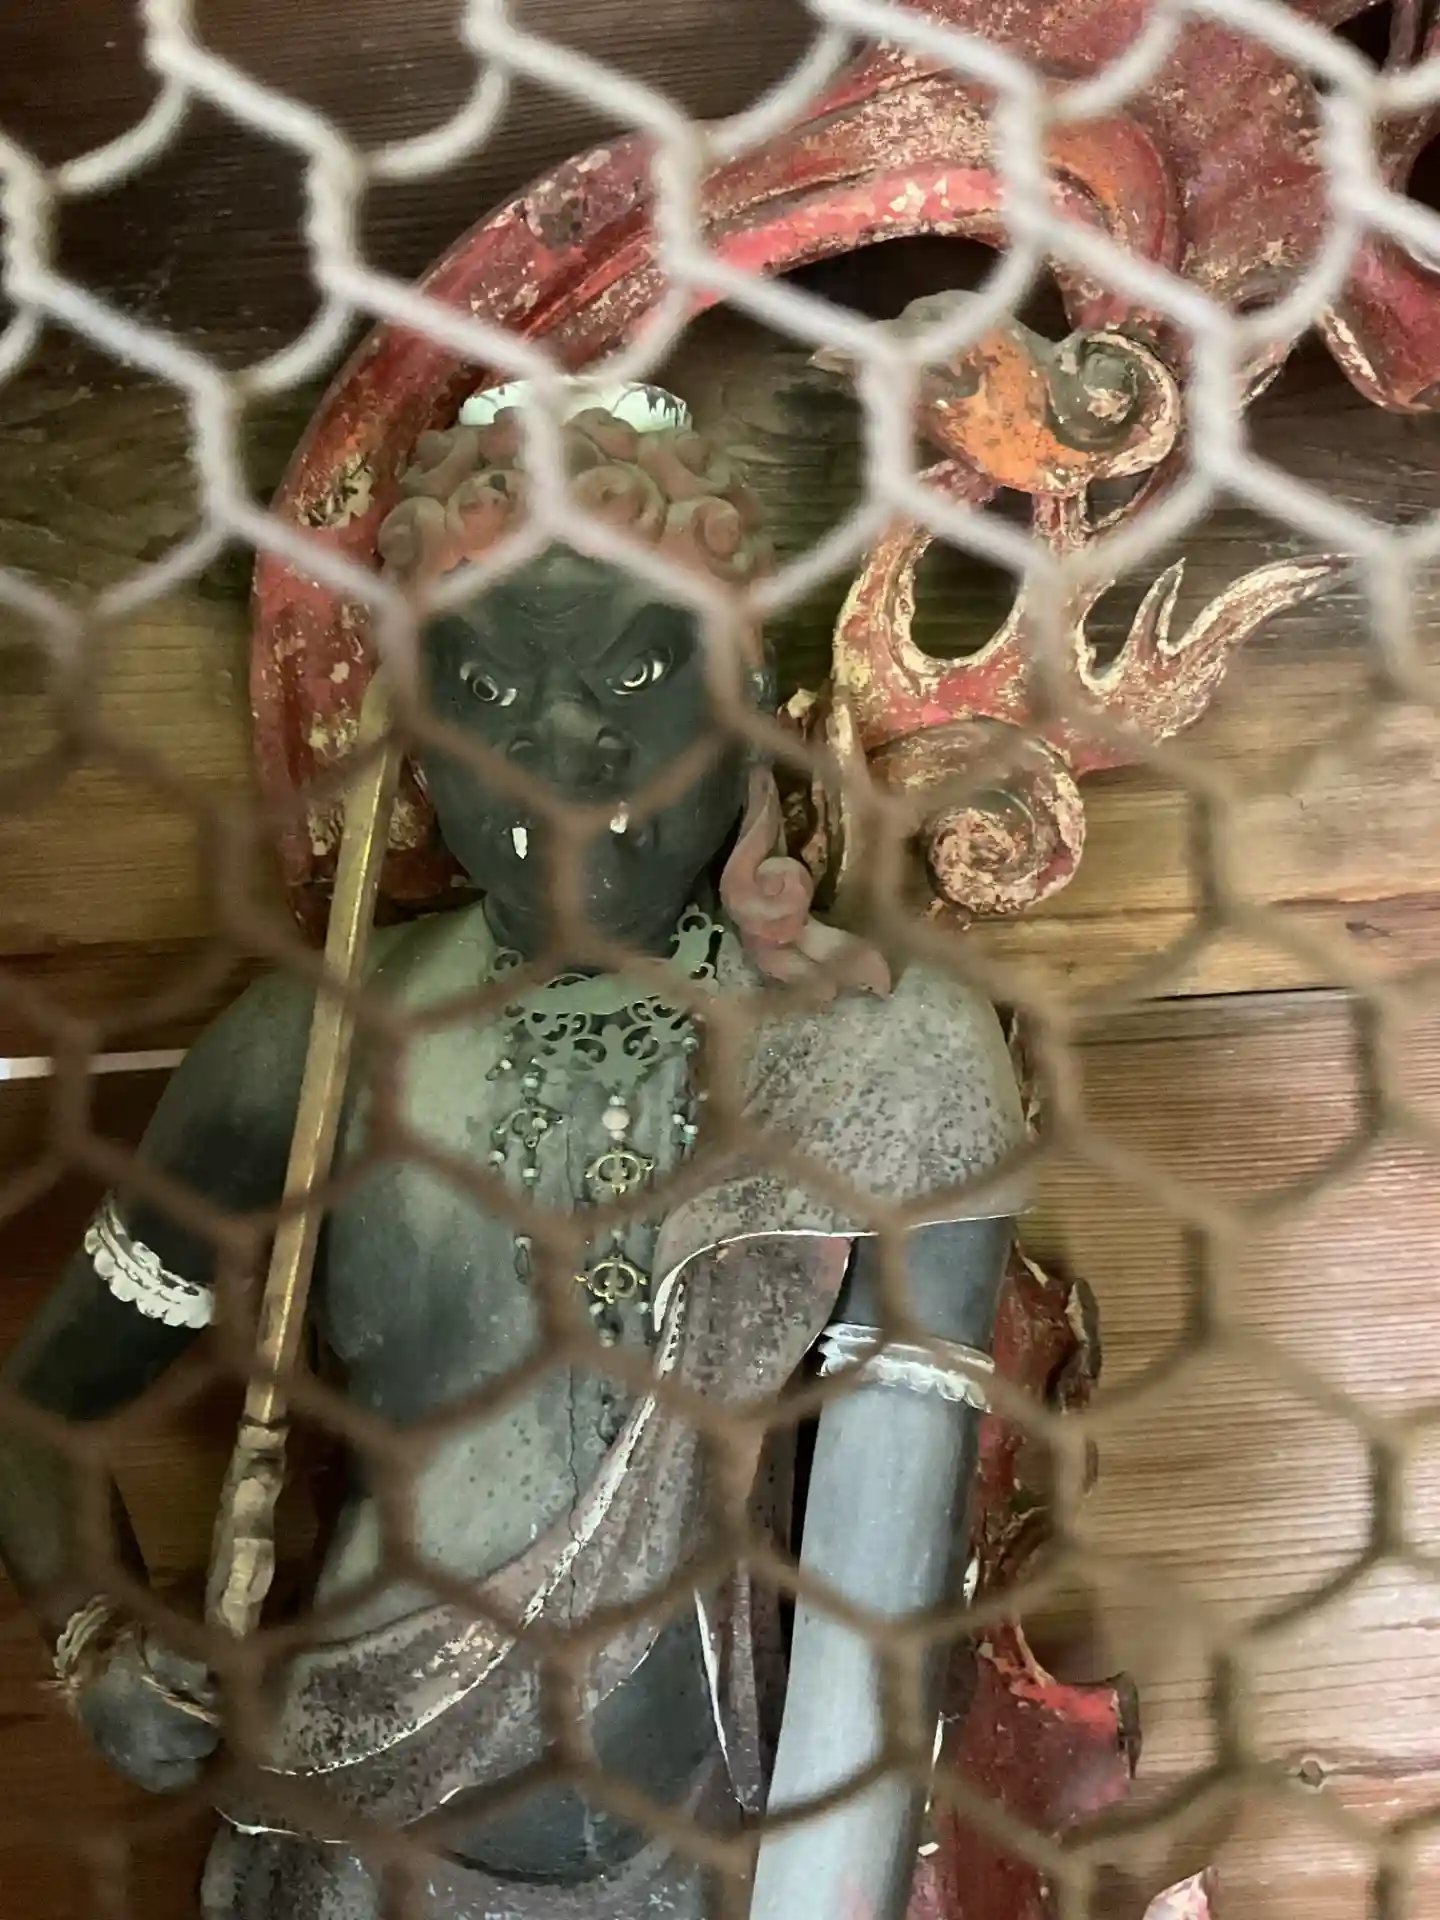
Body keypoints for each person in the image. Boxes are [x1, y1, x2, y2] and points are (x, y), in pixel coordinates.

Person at [0, 385, 1027, 1919]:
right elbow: (42, 1409)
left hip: (716, 1853)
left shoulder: (881, 1050)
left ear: (744, 690)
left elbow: (885, 1586)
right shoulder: (318, 1047)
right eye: (482, 688)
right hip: (358, 1832)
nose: (559, 743)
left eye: (633, 672)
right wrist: (95, 1639)